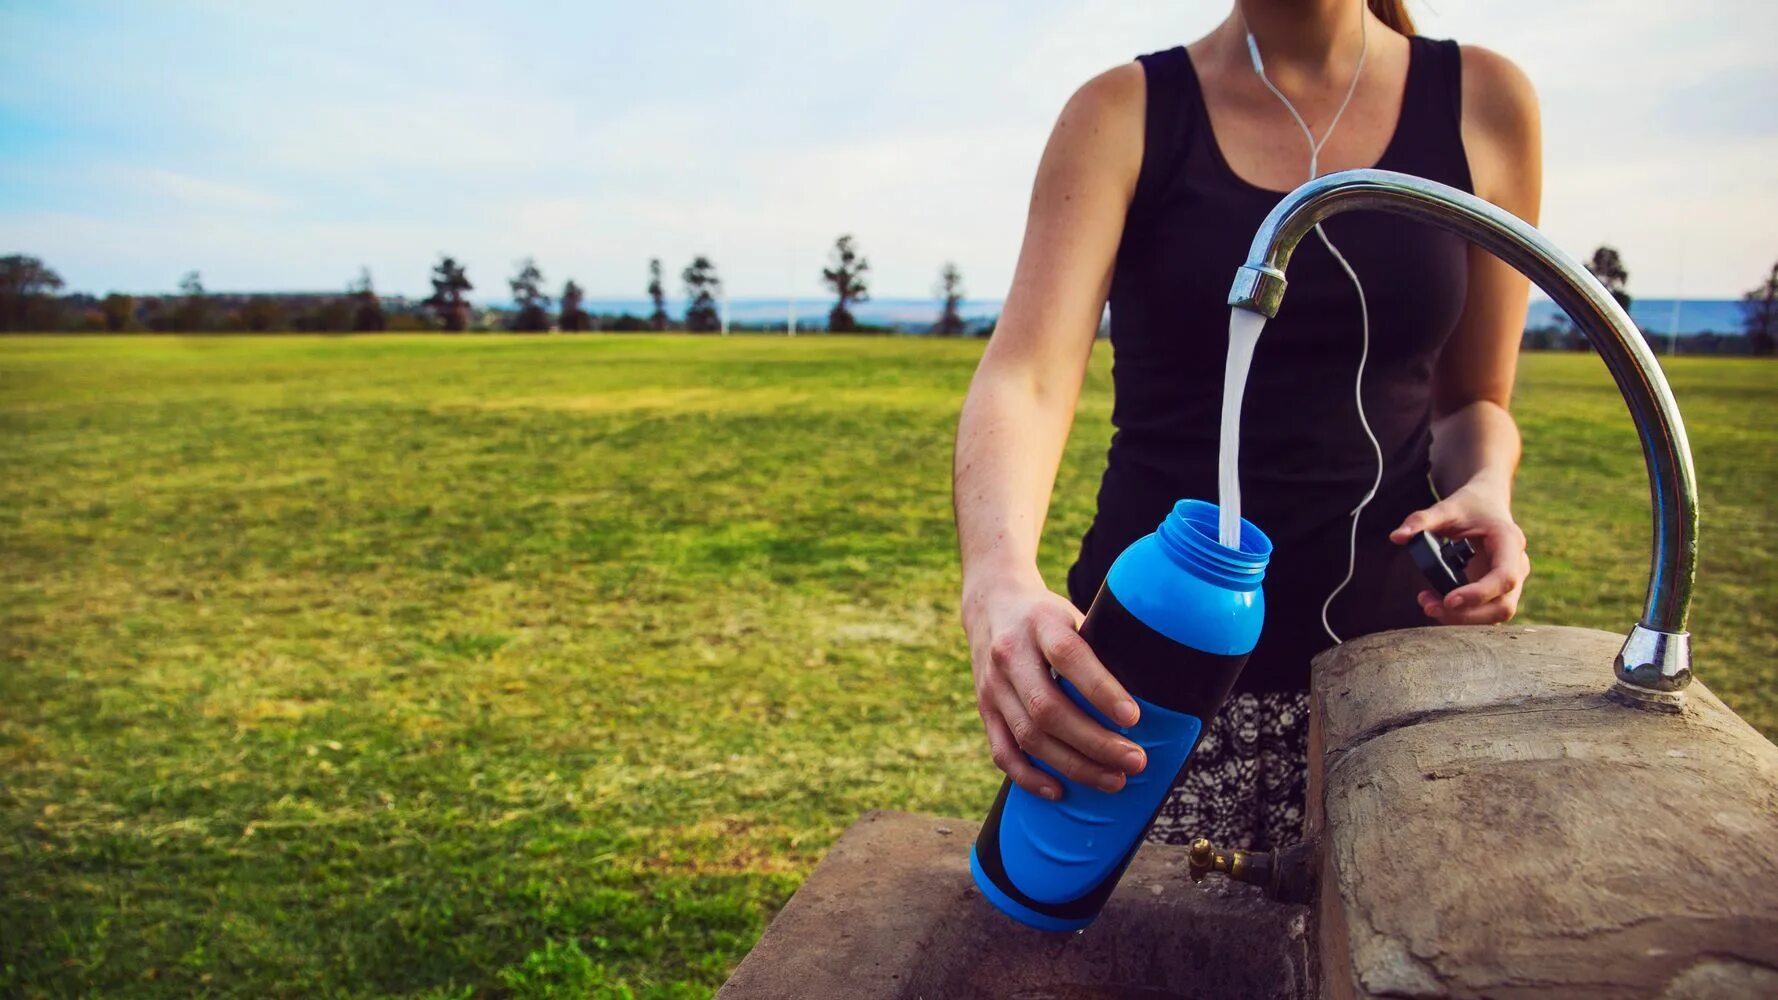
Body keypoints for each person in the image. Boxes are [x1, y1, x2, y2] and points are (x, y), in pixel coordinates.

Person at [953, 0, 1538, 851]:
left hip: (1394, 671)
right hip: (1143, 675)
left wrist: (1486, 485)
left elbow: (1473, 403)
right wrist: (997, 579)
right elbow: (1029, 376)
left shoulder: (1482, 101)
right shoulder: (1120, 111)